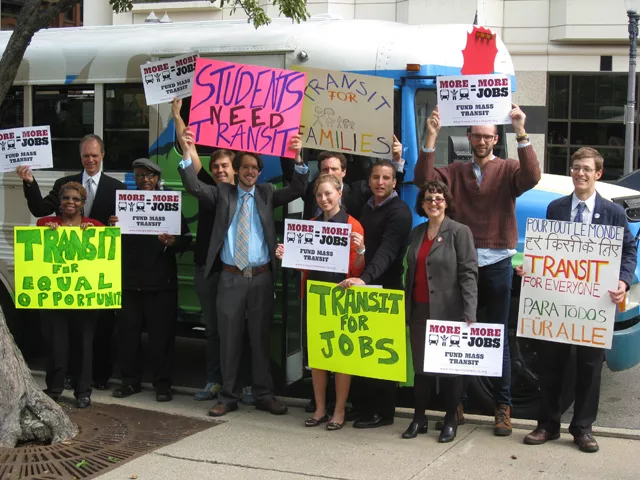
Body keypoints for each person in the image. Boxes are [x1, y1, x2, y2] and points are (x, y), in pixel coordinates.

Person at [415, 104, 541, 436]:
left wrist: (521, 129)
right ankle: (457, 403)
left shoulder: (510, 169)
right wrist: (431, 135)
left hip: (498, 265)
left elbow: (532, 177)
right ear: (468, 138)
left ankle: (503, 406)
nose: (482, 141)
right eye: (476, 135)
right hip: (462, 266)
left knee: (495, 338)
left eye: (487, 136)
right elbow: (422, 180)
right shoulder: (455, 171)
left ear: (496, 139)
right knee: (458, 335)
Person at [178, 131, 309, 417]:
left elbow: (298, 188)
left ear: (260, 173)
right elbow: (194, 187)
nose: (250, 172)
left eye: (255, 168)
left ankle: (263, 394)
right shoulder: (222, 192)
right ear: (237, 170)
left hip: (261, 277)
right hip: (230, 277)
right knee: (229, 338)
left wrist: (298, 156)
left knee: (260, 338)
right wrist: (188, 152)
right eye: (245, 167)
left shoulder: (266, 193)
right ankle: (228, 396)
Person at [520, 147, 637, 453]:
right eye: (575, 168)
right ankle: (547, 424)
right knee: (552, 365)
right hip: (558, 303)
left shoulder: (612, 212)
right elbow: (547, 251)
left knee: (589, 368)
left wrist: (623, 280)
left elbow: (628, 250)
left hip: (594, 305)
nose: (580, 174)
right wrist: (530, 267)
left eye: (586, 169)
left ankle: (583, 428)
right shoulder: (555, 208)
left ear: (598, 174)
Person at [17, 134, 127, 391]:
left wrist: (115, 225)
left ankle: (97, 376)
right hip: (64, 275)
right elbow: (39, 209)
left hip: (95, 275)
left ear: (102, 156)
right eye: (86, 156)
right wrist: (30, 182)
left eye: (94, 155)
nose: (90, 160)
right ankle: (65, 377)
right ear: (81, 157)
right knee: (62, 335)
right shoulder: (64, 184)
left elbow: (125, 223)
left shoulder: (115, 186)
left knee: (97, 332)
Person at [171, 99, 254, 404]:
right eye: (216, 166)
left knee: (240, 330)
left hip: (236, 271)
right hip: (208, 270)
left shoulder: (250, 194)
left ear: (236, 170)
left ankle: (244, 384)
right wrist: (178, 116)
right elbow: (189, 151)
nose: (219, 170)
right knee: (213, 330)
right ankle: (214, 381)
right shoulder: (206, 186)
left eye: (224, 166)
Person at [275, 174, 365, 430]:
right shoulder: (310, 224)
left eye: (328, 193)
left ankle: (339, 411)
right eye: (319, 195)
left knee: (340, 358)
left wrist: (360, 251)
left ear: (340, 193)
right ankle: (320, 409)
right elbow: (300, 263)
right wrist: (286, 255)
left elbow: (358, 270)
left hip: (341, 298)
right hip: (314, 295)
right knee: (317, 357)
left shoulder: (353, 225)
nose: (324, 199)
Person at [110, 158, 192, 402]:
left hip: (161, 284)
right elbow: (111, 242)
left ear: (158, 179)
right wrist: (111, 226)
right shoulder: (124, 205)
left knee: (162, 338)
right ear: (134, 179)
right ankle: (130, 382)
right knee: (127, 337)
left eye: (150, 176)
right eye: (139, 176)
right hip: (128, 282)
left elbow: (187, 239)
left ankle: (163, 385)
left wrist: (174, 242)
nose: (145, 180)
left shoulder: (170, 204)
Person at [338, 159, 413, 428]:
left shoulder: (400, 212)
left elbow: (387, 252)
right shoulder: (367, 207)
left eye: (386, 178)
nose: (380, 182)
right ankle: (363, 407)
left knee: (382, 355)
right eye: (376, 177)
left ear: (395, 182)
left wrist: (364, 278)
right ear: (369, 181)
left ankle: (383, 413)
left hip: (386, 288)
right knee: (363, 350)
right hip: (364, 285)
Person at [402, 180, 478, 442]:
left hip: (450, 312)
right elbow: (410, 272)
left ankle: (449, 421)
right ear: (421, 205)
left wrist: (470, 311)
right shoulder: (417, 232)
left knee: (450, 370)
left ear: (446, 202)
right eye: (428, 199)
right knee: (421, 369)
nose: (433, 203)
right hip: (419, 310)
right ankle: (419, 418)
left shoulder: (459, 232)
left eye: (438, 198)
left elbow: (469, 273)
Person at [36, 181, 104, 408]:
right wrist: (48, 235)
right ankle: (54, 388)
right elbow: (36, 254)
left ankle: (83, 391)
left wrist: (95, 235)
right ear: (60, 202)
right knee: (56, 346)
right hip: (55, 298)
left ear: (83, 204)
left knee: (83, 347)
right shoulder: (45, 224)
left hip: (84, 300)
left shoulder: (94, 227)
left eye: (76, 199)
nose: (70, 203)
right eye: (66, 198)